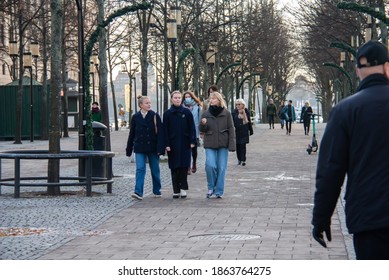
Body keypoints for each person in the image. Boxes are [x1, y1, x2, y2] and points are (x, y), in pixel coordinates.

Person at [312, 40, 389, 260]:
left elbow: (330, 171)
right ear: (387, 67)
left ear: (357, 71)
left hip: (368, 217)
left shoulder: (345, 111)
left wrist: (321, 217)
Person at [125, 96, 165, 200]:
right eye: (146, 103)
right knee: (140, 169)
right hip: (139, 147)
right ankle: (138, 192)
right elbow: (132, 134)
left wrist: (161, 148)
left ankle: (157, 189)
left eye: (149, 103)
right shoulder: (135, 117)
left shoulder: (155, 116)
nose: (149, 105)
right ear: (141, 105)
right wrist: (129, 149)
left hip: (153, 147)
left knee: (155, 170)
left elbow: (161, 134)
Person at [199, 91, 236, 198]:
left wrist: (232, 145)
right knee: (210, 165)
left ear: (219, 101)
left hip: (223, 143)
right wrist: (203, 124)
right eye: (210, 99)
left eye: (214, 98)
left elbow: (231, 129)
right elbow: (201, 129)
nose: (211, 100)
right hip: (210, 142)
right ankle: (211, 187)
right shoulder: (206, 114)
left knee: (221, 167)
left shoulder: (227, 113)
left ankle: (219, 191)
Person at [163, 91, 196, 199]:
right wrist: (166, 144)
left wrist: (192, 141)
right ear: (171, 99)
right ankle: (175, 190)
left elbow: (192, 128)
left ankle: (183, 188)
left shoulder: (187, 113)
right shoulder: (167, 114)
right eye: (175, 97)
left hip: (185, 143)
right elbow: (165, 131)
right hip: (172, 144)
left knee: (183, 166)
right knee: (174, 167)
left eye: (179, 97)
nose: (177, 99)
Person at [182, 91, 203, 174]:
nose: (187, 98)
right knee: (186, 150)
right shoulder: (181, 106)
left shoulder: (197, 106)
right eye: (186, 97)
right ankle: (188, 166)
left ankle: (194, 162)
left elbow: (200, 117)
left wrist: (201, 131)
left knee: (194, 149)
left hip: (195, 129)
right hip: (184, 130)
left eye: (189, 96)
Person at [232, 98, 253, 166]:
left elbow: (248, 121)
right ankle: (239, 159)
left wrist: (250, 130)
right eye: (236, 104)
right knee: (238, 145)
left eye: (239, 104)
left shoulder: (246, 112)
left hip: (244, 130)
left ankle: (243, 159)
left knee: (243, 145)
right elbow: (231, 122)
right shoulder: (234, 112)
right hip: (237, 131)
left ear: (243, 105)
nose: (237, 106)